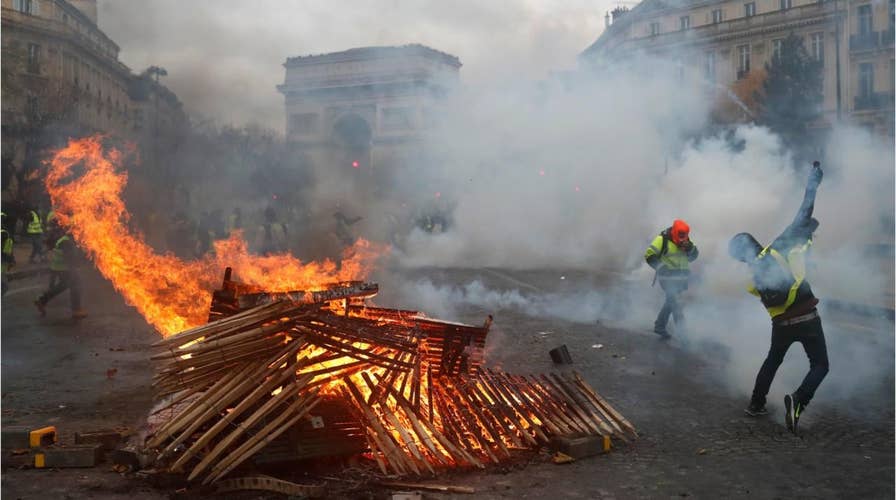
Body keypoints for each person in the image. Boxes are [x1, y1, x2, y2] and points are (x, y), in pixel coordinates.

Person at [729, 161, 827, 434]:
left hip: (781, 324)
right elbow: (804, 211)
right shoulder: (777, 247)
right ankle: (799, 400)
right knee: (820, 365)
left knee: (772, 361)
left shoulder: (752, 276)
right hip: (807, 316)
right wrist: (813, 183)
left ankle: (755, 404)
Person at [644, 219, 699, 338]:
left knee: (670, 302)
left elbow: (694, 256)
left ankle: (659, 326)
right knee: (676, 304)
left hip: (681, 279)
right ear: (674, 232)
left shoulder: (686, 241)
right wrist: (661, 268)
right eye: (680, 235)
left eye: (685, 235)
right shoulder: (662, 240)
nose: (683, 238)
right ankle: (683, 334)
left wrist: (690, 249)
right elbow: (649, 255)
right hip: (667, 278)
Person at [34, 219, 86, 319]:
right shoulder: (66, 241)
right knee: (76, 285)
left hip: (59, 268)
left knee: (63, 286)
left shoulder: (62, 238)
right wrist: (75, 267)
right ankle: (76, 310)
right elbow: (69, 257)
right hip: (65, 269)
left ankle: (42, 300)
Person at [1, 213, 15, 296]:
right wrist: (10, 259)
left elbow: (8, 248)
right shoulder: (4, 233)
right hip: (2, 260)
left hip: (4, 261)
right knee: (4, 286)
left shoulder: (4, 233)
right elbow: (4, 250)